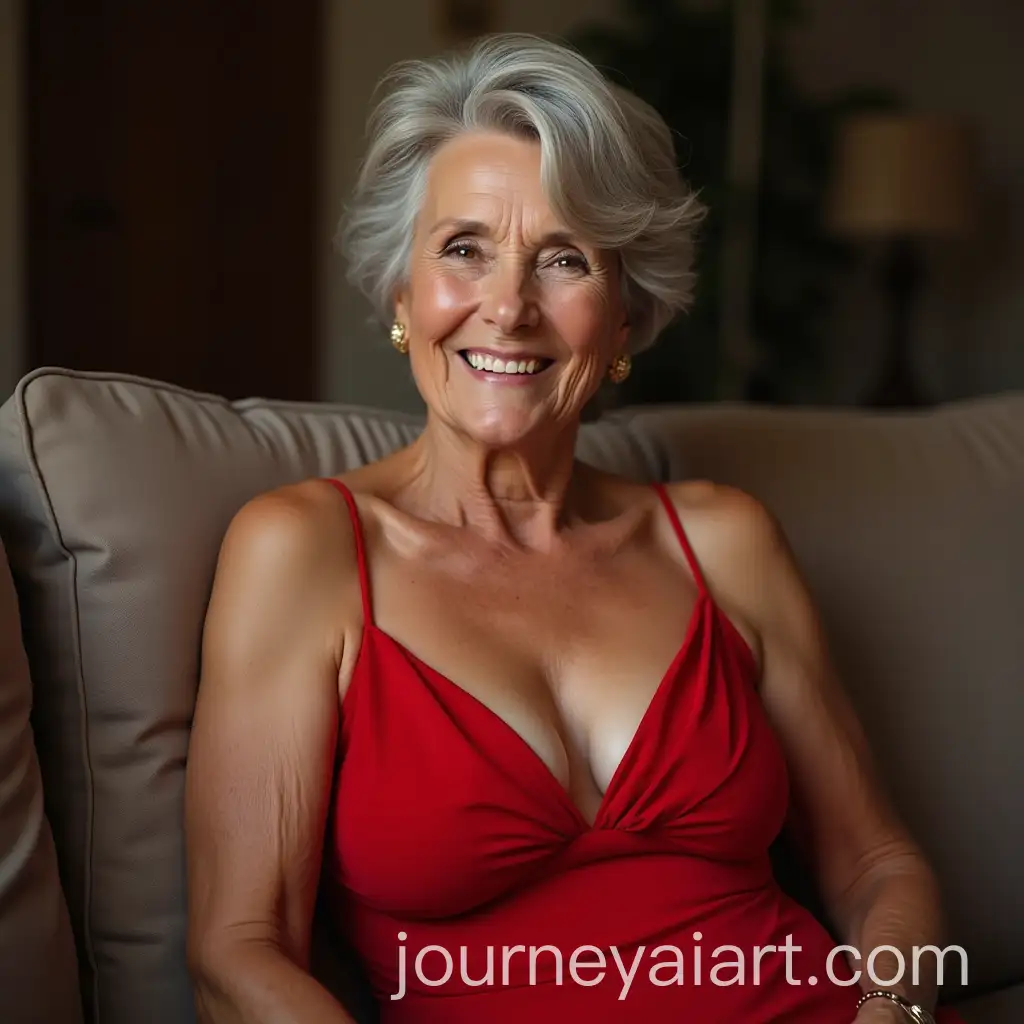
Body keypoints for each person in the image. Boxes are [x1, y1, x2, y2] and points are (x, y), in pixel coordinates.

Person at [183, 33, 965, 1024]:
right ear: (401, 292)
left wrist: (890, 1011)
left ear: (626, 318)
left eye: (563, 259)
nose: (507, 308)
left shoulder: (723, 540)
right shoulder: (301, 551)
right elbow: (236, 950)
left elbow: (880, 861)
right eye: (463, 248)